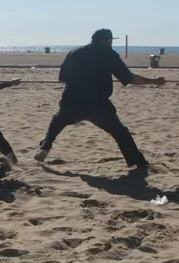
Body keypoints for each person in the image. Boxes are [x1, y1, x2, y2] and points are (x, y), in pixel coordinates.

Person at [34, 28, 165, 170]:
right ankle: (138, 163)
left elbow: (62, 78)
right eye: (110, 40)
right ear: (104, 40)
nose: (111, 43)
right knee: (120, 132)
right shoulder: (109, 54)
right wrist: (153, 81)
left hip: (72, 99)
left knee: (58, 122)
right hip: (97, 103)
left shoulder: (74, 53)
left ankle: (45, 147)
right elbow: (130, 78)